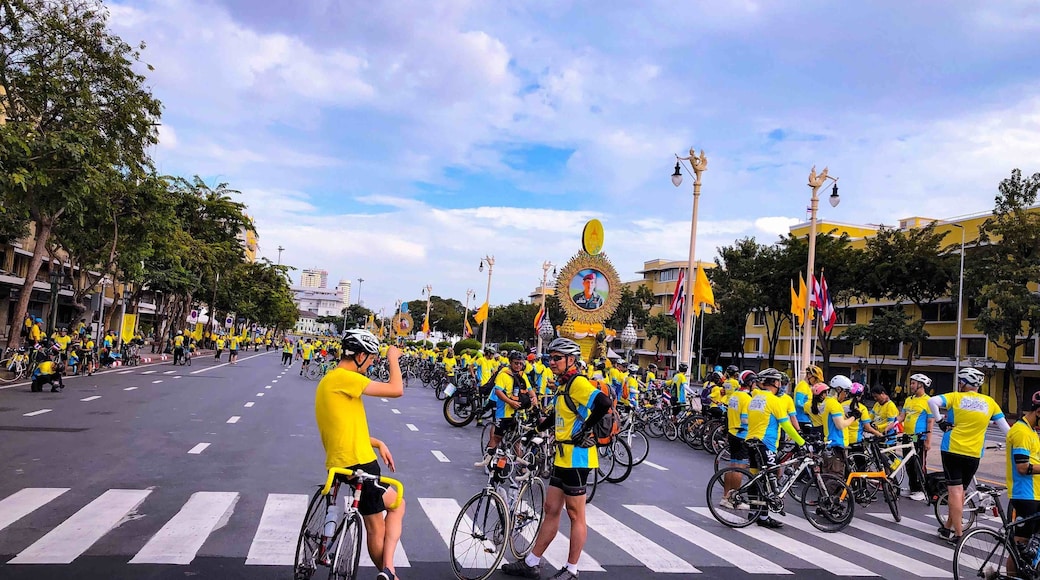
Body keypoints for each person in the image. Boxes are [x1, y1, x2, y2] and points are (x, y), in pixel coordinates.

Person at [502, 338, 611, 580]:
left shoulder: (578, 383)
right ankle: (532, 562)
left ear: (571, 360)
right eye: (550, 358)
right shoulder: (564, 385)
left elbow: (604, 403)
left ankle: (572, 569)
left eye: (557, 358)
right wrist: (535, 429)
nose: (551, 362)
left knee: (575, 514)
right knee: (551, 508)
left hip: (578, 458)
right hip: (563, 456)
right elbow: (558, 416)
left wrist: (586, 429)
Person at [314, 329, 404, 580]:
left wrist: (377, 442)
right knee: (378, 524)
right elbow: (397, 389)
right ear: (360, 355)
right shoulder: (346, 377)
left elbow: (342, 429)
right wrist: (393, 357)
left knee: (396, 504)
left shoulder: (330, 380)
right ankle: (388, 573)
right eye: (373, 357)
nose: (374, 361)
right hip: (361, 464)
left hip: (342, 463)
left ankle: (388, 570)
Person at [930, 367, 1010, 544]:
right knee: (961, 492)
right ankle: (946, 528)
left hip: (952, 449)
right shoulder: (990, 402)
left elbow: (932, 401)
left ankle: (959, 535)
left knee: (955, 492)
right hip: (974, 453)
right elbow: (1006, 430)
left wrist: (940, 421)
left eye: (960, 381)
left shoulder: (956, 397)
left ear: (965, 383)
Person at [743, 367, 805, 528]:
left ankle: (753, 512)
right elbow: (787, 426)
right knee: (767, 482)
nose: (781, 385)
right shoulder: (774, 401)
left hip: (752, 441)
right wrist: (802, 442)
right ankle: (762, 517)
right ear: (775, 382)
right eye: (779, 382)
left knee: (755, 478)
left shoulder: (755, 398)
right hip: (766, 444)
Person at [477, 351, 533, 467]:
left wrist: (534, 398)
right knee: (497, 438)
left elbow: (529, 389)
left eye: (521, 364)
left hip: (518, 413)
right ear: (510, 362)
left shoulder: (523, 375)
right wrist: (510, 402)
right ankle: (488, 461)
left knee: (517, 440)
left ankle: (520, 467)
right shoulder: (504, 374)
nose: (518, 366)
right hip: (504, 412)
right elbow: (498, 391)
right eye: (516, 363)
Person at [1005, 390, 1040, 578]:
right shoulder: (1021, 432)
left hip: (1036, 493)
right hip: (1025, 495)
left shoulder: (1032, 432)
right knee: (1020, 546)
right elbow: (1023, 467)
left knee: (1030, 546)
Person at [896, 373, 935, 501]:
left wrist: (928, 441)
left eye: (913, 383)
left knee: (918, 463)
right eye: (911, 383)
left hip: (919, 437)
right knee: (908, 462)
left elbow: (930, 421)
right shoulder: (909, 399)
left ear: (921, 384)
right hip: (908, 436)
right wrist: (891, 425)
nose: (911, 385)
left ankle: (921, 490)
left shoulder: (928, 401)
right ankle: (913, 487)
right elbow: (901, 416)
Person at [794, 365, 824, 433]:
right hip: (802, 420)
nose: (816, 381)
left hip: (807, 420)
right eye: (816, 379)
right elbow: (798, 403)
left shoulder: (807, 386)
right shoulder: (802, 386)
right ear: (809, 375)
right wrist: (811, 409)